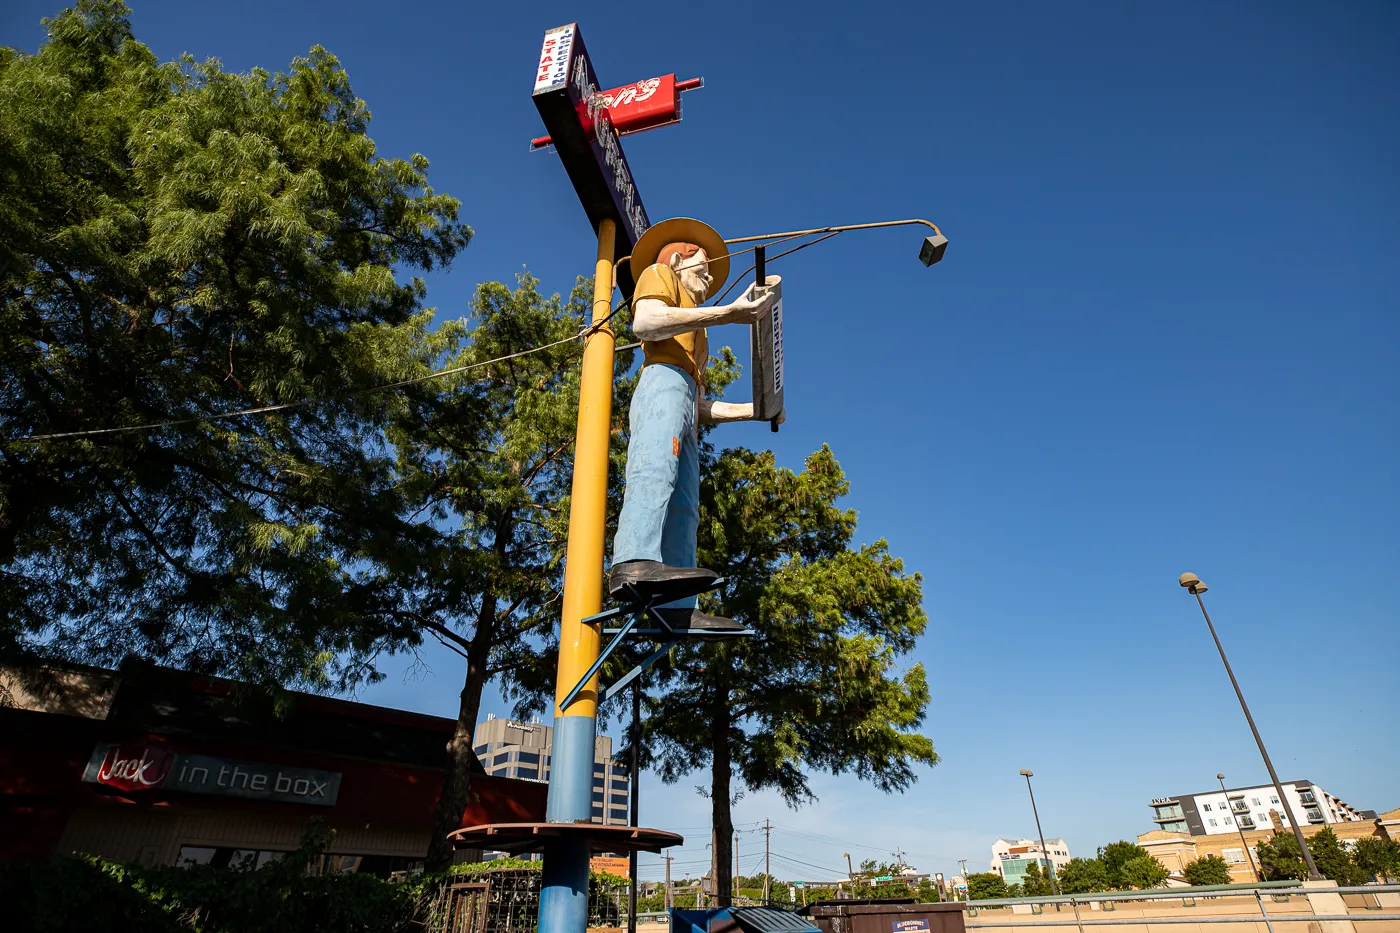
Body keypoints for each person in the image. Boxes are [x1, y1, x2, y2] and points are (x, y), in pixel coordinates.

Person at [608, 218, 777, 632]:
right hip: (661, 383)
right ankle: (632, 562)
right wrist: (731, 313)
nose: (707, 278)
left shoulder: (696, 327)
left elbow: (701, 405)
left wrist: (757, 409)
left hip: (684, 398)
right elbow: (644, 322)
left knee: (685, 500)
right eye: (703, 268)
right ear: (679, 260)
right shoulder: (659, 274)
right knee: (654, 469)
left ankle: (678, 606)